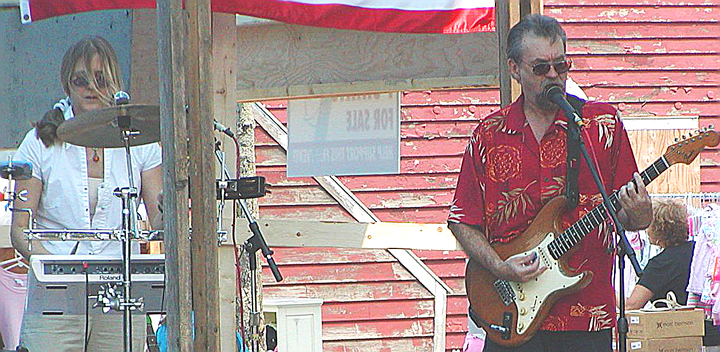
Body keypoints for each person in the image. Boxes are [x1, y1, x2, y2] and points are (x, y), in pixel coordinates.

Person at [448, 14, 652, 352]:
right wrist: (500, 266)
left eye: (562, 65)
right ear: (514, 69)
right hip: (509, 313)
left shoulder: (601, 124)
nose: (555, 75)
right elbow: (463, 221)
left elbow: (631, 217)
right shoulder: (489, 136)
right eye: (541, 68)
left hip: (586, 314)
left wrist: (642, 212)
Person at [9, 36, 163, 352]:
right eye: (81, 81)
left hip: (121, 291)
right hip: (56, 293)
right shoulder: (38, 142)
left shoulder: (139, 138)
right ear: (67, 84)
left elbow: (159, 217)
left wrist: (169, 209)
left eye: (100, 79)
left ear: (115, 81)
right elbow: (20, 231)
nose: (91, 88)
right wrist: (59, 273)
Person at [625, 199, 720, 347]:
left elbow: (632, 305)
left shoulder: (660, 264)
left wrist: (609, 292)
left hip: (684, 337)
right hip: (714, 330)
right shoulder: (700, 251)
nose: (646, 230)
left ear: (658, 228)